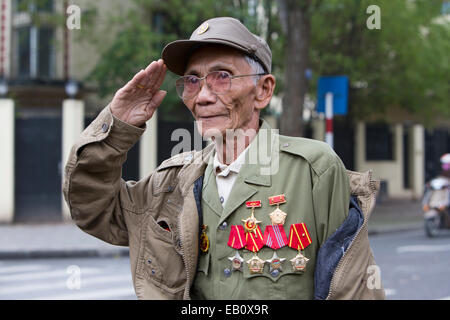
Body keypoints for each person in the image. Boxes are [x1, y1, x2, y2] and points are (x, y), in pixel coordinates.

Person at [63, 17, 384, 300]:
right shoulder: (173, 182)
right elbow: (94, 209)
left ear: (263, 90)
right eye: (192, 80)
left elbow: (354, 290)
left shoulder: (314, 170)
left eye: (222, 76)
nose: (202, 96)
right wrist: (117, 126)